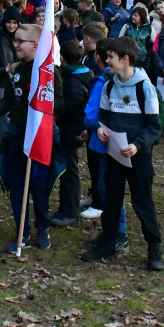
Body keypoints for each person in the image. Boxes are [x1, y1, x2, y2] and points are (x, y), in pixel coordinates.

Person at [79, 36, 164, 270]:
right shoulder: (109, 85)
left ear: (126, 59)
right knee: (111, 199)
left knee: (142, 201)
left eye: (111, 58)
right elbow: (103, 117)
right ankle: (109, 243)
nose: (107, 62)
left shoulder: (145, 87)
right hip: (114, 154)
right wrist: (101, 129)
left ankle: (154, 248)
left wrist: (137, 145)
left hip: (138, 155)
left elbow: (154, 126)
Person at [0, 24, 66, 253]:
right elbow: (10, 100)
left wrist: (41, 104)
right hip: (17, 136)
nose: (15, 44)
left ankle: (43, 227)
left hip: (40, 138)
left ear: (35, 46)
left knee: (39, 186)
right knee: (18, 186)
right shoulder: (17, 70)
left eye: (20, 41)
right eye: (15, 40)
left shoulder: (49, 71)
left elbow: (60, 102)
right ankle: (22, 231)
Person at [51, 41, 93, 227]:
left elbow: (72, 108)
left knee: (69, 171)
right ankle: (65, 208)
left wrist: (58, 113)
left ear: (63, 59)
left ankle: (70, 211)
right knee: (66, 169)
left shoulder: (73, 81)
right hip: (72, 128)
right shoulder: (81, 74)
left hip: (71, 130)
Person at [0, 9, 20, 138]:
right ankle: (5, 149)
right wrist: (3, 70)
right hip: (1, 81)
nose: (11, 26)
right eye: (8, 22)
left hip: (18, 79)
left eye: (14, 23)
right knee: (4, 118)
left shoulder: (20, 36)